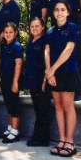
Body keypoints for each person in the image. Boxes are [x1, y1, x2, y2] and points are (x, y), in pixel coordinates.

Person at [45, 0, 81, 158]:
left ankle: (70, 142)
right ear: (53, 13)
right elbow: (46, 51)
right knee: (58, 106)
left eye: (62, 10)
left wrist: (52, 69)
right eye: (57, 10)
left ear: (67, 12)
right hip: (53, 74)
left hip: (68, 72)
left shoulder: (72, 28)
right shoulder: (50, 31)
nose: (59, 12)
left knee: (67, 106)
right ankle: (61, 140)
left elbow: (68, 50)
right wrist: (49, 72)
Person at [24, 17, 51, 147]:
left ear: (42, 27)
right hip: (33, 81)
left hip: (42, 81)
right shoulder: (30, 41)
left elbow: (47, 61)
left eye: (37, 26)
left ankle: (41, 138)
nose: (34, 29)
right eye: (32, 26)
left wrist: (45, 79)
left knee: (43, 111)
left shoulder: (45, 40)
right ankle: (39, 137)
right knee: (38, 110)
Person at [0, 23, 24, 144]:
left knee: (14, 105)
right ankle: (10, 128)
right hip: (5, 78)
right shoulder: (4, 46)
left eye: (11, 32)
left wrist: (15, 82)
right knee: (8, 104)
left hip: (13, 79)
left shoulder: (17, 46)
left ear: (15, 33)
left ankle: (15, 131)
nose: (8, 35)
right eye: (6, 32)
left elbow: (18, 64)